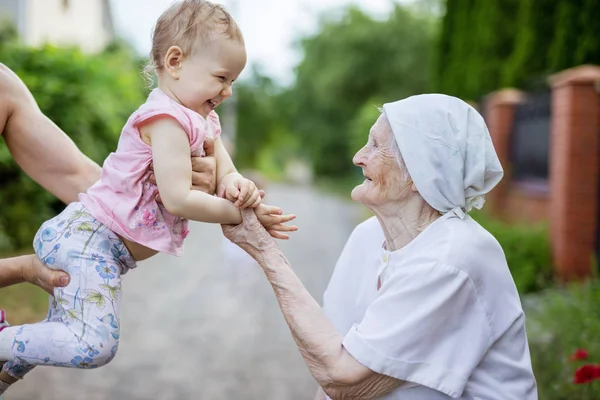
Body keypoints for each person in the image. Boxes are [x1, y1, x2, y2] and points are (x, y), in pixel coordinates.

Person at [0, 0, 296, 394]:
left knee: (54, 337)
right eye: (222, 77)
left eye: (233, 82)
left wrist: (243, 193)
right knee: (93, 344)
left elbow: (226, 172)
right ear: (175, 61)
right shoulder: (166, 120)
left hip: (101, 248)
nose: (227, 91)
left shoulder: (202, 119)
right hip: (90, 242)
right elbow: (178, 199)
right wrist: (238, 215)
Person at [222, 94, 538, 399]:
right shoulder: (367, 235)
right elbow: (332, 354)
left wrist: (266, 252)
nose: (358, 157)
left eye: (375, 146)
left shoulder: (452, 258)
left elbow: (343, 379)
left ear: (420, 171)